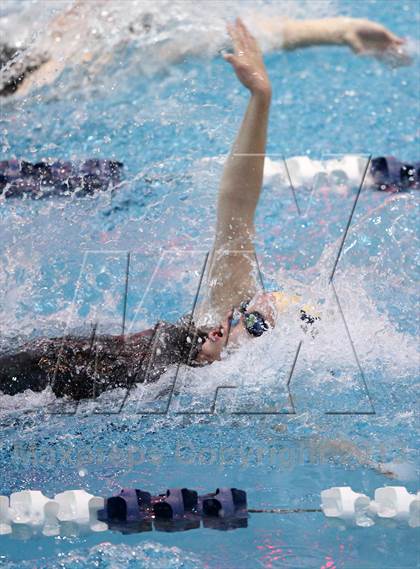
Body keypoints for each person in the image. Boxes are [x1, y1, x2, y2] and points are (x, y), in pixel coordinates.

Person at [0, 19, 410, 400]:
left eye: (254, 326)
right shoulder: (215, 323)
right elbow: (237, 207)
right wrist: (261, 99)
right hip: (29, 362)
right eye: (245, 312)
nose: (234, 318)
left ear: (268, 354)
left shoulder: (209, 385)